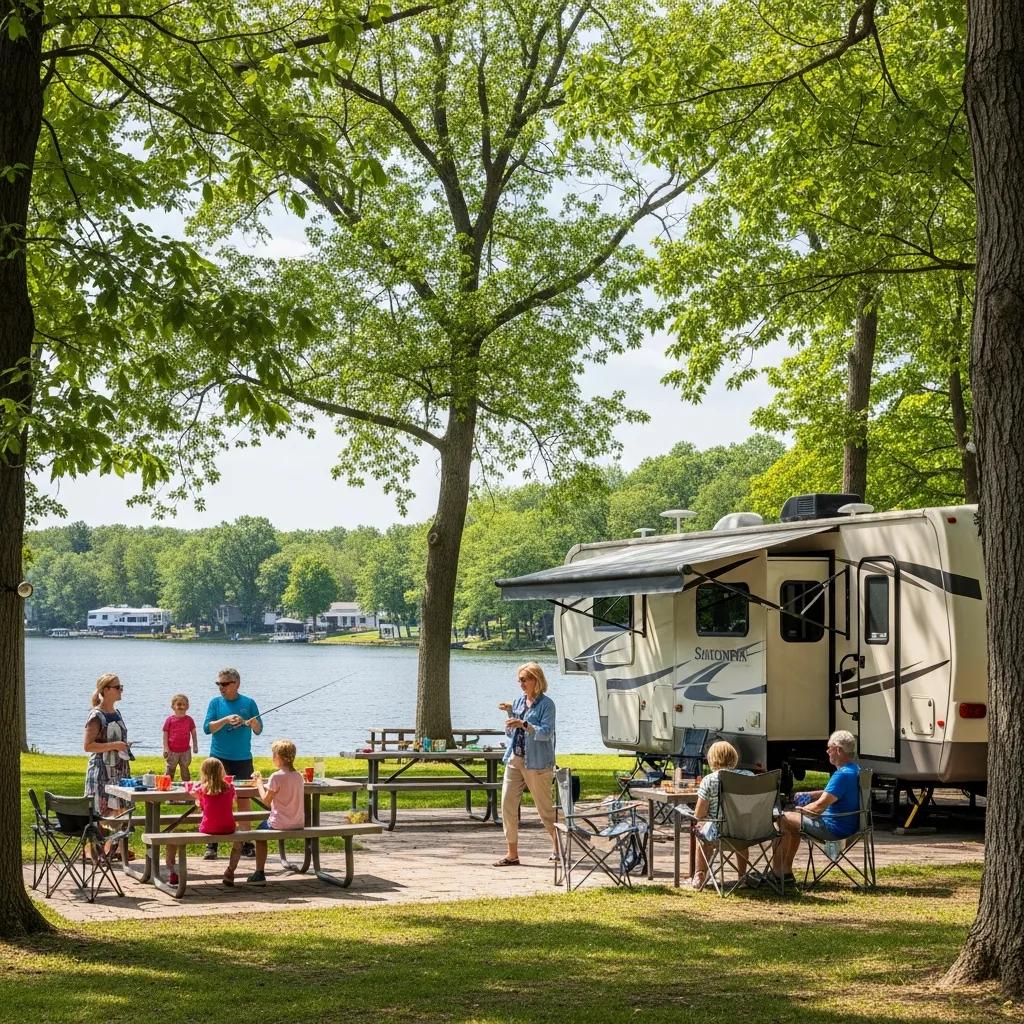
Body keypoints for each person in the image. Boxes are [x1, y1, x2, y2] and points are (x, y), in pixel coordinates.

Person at [756, 729, 862, 887]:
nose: (827, 751)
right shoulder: (855, 771)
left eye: (829, 748)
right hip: (851, 824)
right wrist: (811, 795)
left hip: (834, 828)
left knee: (783, 818)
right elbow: (835, 793)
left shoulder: (841, 775)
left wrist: (799, 810)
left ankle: (778, 873)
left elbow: (819, 808)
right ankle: (785, 872)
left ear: (838, 750)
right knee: (792, 823)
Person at [494, 661, 557, 867]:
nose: (520, 683)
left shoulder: (547, 705)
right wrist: (510, 718)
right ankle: (512, 854)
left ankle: (558, 845)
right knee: (507, 805)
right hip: (515, 759)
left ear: (535, 680)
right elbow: (512, 732)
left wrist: (524, 724)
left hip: (537, 763)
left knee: (545, 810)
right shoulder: (518, 702)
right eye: (519, 680)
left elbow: (546, 732)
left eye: (523, 680)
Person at [203, 667, 262, 860]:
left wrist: (250, 723)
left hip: (243, 759)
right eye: (219, 684)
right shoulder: (215, 703)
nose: (221, 687)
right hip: (218, 759)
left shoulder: (249, 703)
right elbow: (207, 728)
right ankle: (212, 844)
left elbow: (259, 728)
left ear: (237, 683)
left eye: (225, 684)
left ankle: (246, 842)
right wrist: (226, 719)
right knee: (214, 799)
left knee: (244, 800)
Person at [684, 740, 753, 889]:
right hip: (747, 832)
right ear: (734, 757)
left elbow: (699, 813)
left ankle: (700, 874)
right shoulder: (749, 776)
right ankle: (742, 876)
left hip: (720, 835)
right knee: (737, 830)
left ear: (712, 759)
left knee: (702, 827)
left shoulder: (709, 780)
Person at [170, 756, 242, 887]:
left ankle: (172, 871)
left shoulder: (202, 789)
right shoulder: (230, 787)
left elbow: (191, 792)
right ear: (222, 771)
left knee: (173, 834)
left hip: (208, 828)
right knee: (238, 843)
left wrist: (195, 793)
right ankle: (230, 871)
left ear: (204, 773)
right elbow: (232, 801)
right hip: (228, 828)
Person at [247, 738, 305, 886]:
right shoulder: (298, 776)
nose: (272, 758)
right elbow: (281, 787)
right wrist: (267, 784)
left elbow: (266, 801)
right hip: (298, 822)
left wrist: (259, 783)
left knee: (259, 834)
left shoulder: (276, 776)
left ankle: (259, 872)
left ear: (282, 758)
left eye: (274, 755)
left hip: (280, 823)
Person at [83, 672, 132, 817]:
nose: (121, 690)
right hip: (101, 773)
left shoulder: (117, 713)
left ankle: (119, 841)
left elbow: (114, 741)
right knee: (102, 817)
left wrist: (123, 746)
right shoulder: (96, 716)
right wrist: (115, 745)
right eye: (117, 687)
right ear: (106, 690)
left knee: (122, 815)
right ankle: (100, 841)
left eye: (121, 687)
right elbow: (88, 746)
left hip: (120, 771)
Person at [162, 693, 199, 782]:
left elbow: (193, 733)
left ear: (187, 707)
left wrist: (195, 746)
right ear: (173, 706)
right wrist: (165, 748)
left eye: (184, 704)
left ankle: (187, 788)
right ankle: (167, 786)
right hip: (172, 750)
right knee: (170, 769)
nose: (181, 706)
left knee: (185, 769)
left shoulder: (189, 720)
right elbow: (165, 734)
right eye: (179, 704)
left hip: (185, 751)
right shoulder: (169, 720)